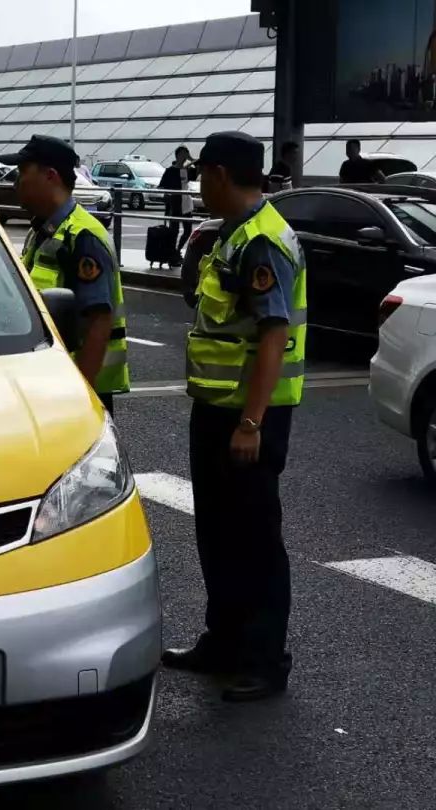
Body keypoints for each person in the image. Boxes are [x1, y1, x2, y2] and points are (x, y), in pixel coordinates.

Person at [163, 131, 307, 702]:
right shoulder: (233, 236)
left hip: (248, 420)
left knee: (254, 540)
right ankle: (222, 641)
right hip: (217, 411)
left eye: (203, 175)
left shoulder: (262, 242)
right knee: (217, 532)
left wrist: (251, 422)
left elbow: (273, 336)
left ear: (220, 175)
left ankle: (265, 659)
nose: (199, 184)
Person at [0, 135, 129, 413]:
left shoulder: (82, 236)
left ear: (50, 176)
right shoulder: (44, 230)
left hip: (75, 390)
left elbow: (98, 322)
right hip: (48, 381)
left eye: (22, 172)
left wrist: (81, 397)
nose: (16, 183)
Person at [160, 145, 196, 266]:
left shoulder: (187, 170)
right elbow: (162, 186)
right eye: (182, 154)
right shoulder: (170, 171)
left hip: (186, 204)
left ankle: (177, 251)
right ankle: (172, 255)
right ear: (177, 155)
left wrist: (191, 159)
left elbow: (199, 166)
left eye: (186, 154)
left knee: (188, 230)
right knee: (173, 231)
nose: (184, 156)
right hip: (174, 204)